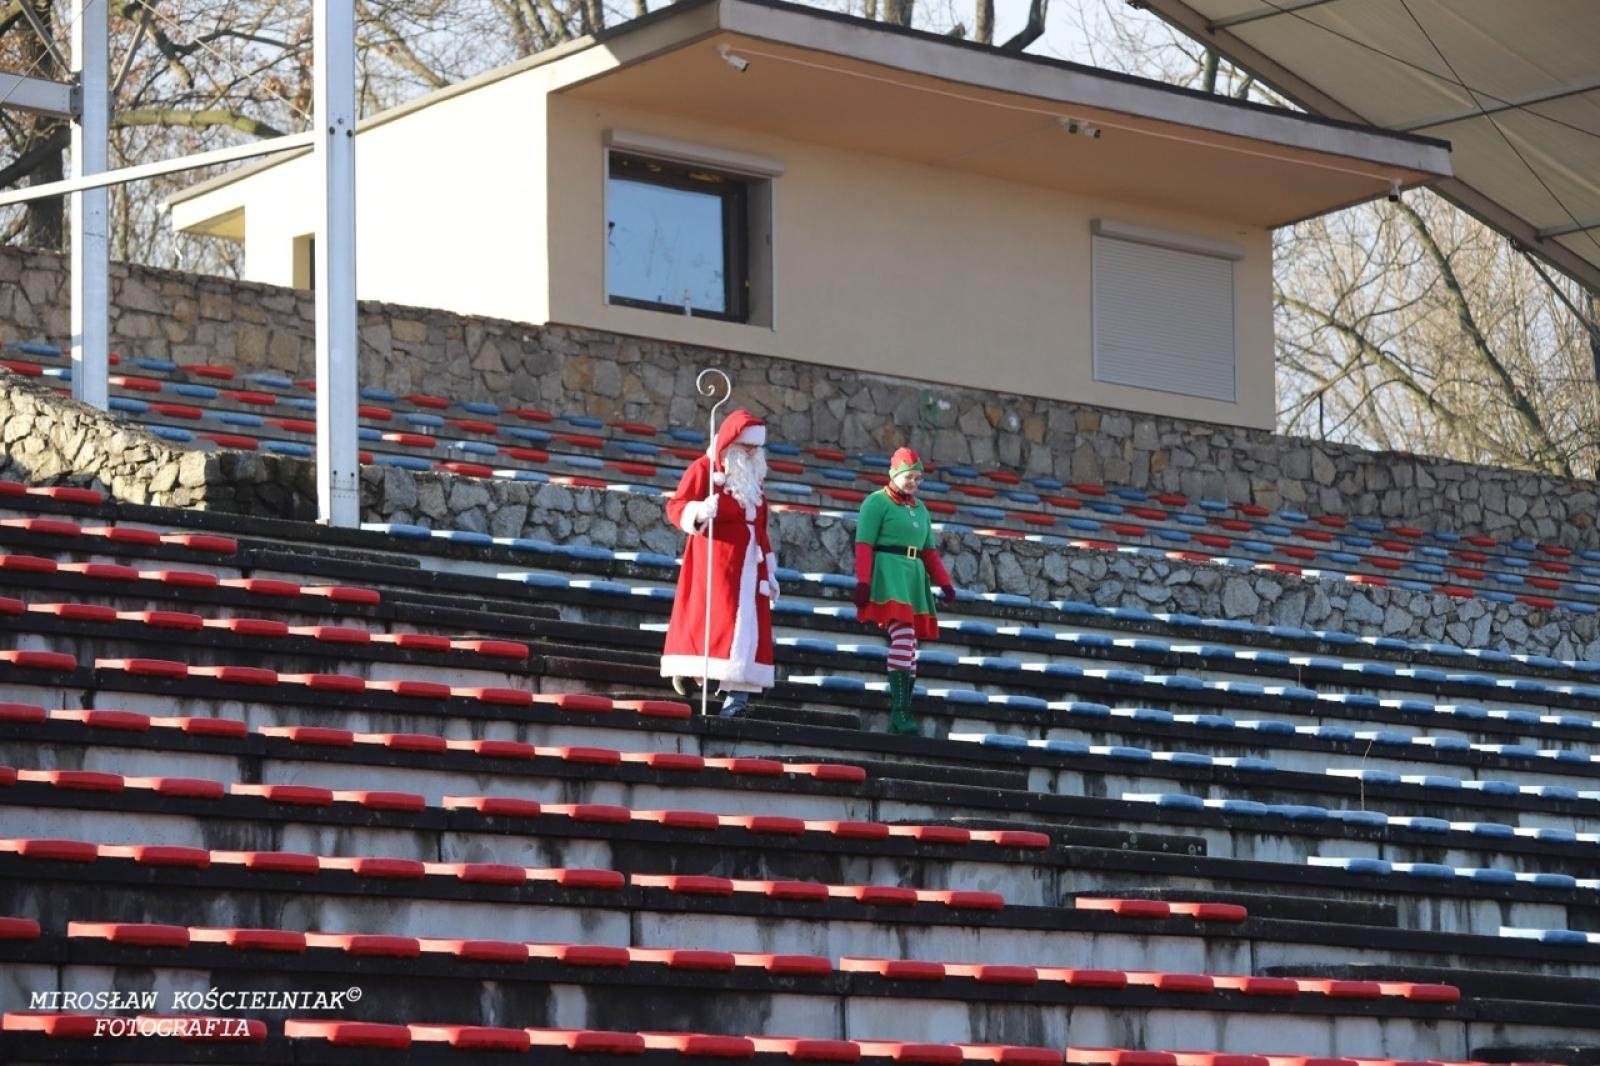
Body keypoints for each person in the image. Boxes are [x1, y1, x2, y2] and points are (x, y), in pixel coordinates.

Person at [660, 408, 778, 717]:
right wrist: (699, 510)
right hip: (714, 563)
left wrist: (770, 567)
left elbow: (760, 525)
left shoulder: (755, 479)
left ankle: (737, 698)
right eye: (748, 447)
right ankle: (689, 667)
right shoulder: (703, 469)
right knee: (712, 620)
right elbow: (676, 507)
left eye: (757, 448)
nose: (753, 453)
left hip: (751, 565)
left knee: (748, 630)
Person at [853, 447, 955, 735]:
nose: (914, 483)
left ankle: (904, 710)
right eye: (909, 477)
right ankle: (898, 711)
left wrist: (944, 583)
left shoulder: (920, 508)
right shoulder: (875, 503)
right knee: (904, 636)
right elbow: (864, 544)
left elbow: (929, 551)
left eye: (918, 479)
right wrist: (863, 581)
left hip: (913, 575)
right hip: (889, 573)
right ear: (894, 474)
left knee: (912, 647)